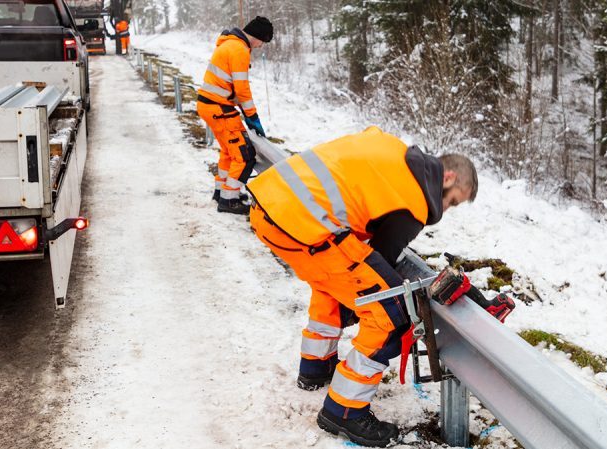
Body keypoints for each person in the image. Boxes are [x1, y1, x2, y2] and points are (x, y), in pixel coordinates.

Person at [247, 126, 478, 447]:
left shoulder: (392, 150)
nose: (446, 210)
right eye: (452, 202)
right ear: (448, 177)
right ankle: (345, 411)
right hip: (305, 224)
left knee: (332, 280)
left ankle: (315, 368)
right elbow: (381, 261)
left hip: (270, 206)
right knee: (391, 310)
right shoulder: (416, 199)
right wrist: (367, 303)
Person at [197, 16, 273, 215]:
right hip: (218, 108)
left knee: (229, 151)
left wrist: (244, 112)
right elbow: (242, 88)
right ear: (256, 37)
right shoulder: (239, 49)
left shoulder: (229, 44)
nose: (260, 46)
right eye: (262, 42)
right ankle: (229, 200)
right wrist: (252, 116)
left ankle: (222, 192)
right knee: (244, 155)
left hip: (212, 106)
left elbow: (230, 85)